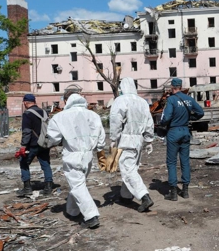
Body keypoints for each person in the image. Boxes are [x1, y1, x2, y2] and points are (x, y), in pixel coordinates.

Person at [47, 93, 105, 229]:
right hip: (88, 154)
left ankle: (91, 217)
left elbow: (53, 138)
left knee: (78, 185)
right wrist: (100, 149)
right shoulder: (93, 115)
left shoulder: (60, 117)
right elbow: (100, 135)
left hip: (72, 154)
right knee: (79, 183)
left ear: (67, 101)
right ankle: (72, 210)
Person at [109, 77, 155, 212]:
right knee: (131, 169)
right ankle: (125, 195)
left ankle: (144, 196)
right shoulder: (143, 102)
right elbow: (149, 122)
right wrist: (148, 140)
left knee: (127, 170)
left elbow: (115, 120)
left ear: (122, 87)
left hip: (126, 139)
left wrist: (113, 139)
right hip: (138, 140)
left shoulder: (120, 100)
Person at [160, 78, 204, 201]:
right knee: (185, 161)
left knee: (172, 162)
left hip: (174, 132)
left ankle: (173, 193)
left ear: (173, 87)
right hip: (185, 131)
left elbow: (167, 117)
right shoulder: (189, 99)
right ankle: (185, 191)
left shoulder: (171, 99)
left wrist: (162, 123)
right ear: (180, 86)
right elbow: (200, 112)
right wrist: (191, 118)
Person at [17, 94, 53, 196]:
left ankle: (27, 188)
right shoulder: (44, 112)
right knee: (45, 164)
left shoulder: (27, 114)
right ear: (34, 101)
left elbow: (27, 132)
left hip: (32, 144)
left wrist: (23, 146)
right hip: (44, 143)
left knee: (23, 162)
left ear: (25, 102)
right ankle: (48, 187)